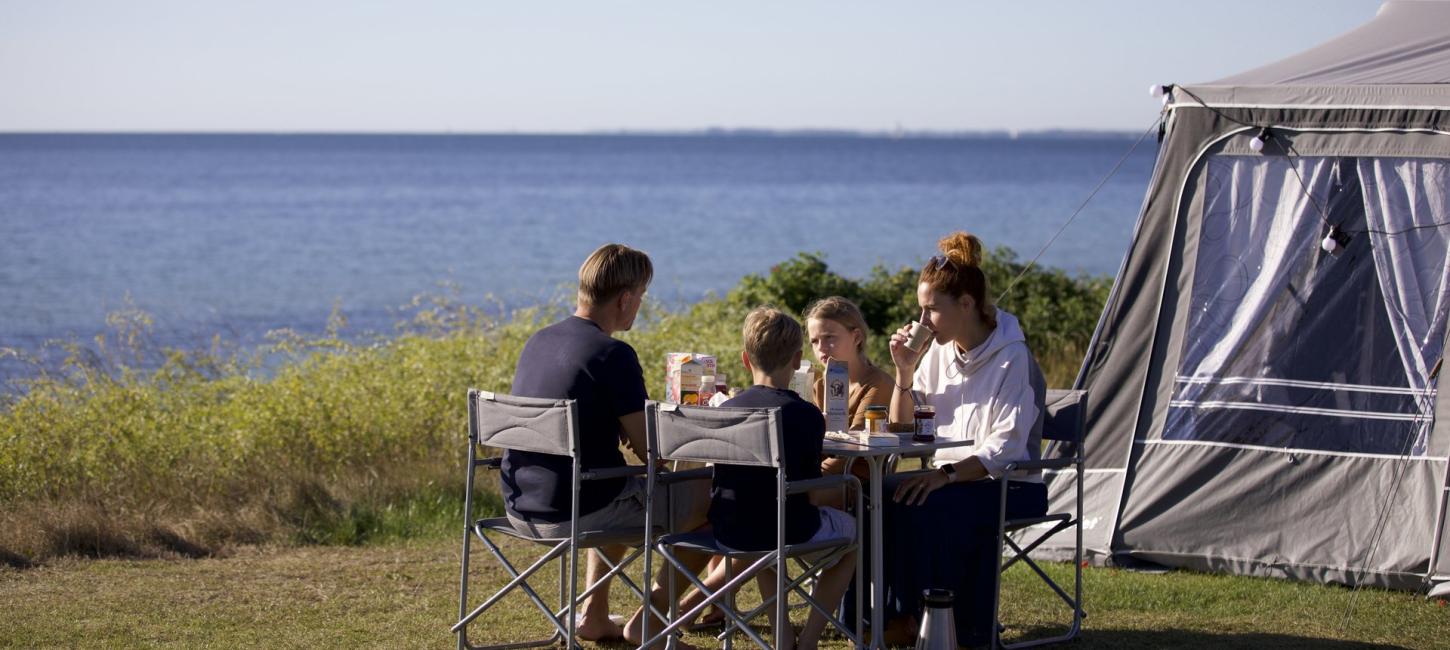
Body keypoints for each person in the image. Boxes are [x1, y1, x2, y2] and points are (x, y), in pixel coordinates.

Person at [501, 242, 709, 646]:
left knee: (620, 487)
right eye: (642, 298)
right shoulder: (612, 354)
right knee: (718, 501)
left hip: (522, 504)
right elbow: (652, 455)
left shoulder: (539, 340)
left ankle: (594, 616)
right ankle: (649, 619)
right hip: (579, 509)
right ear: (626, 298)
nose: (640, 306)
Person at [880, 232, 1048, 647]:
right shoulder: (938, 353)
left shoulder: (1013, 357)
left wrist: (946, 475)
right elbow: (904, 430)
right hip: (952, 477)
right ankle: (888, 616)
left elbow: (1005, 450)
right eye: (921, 310)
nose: (922, 322)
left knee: (931, 501)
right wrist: (903, 372)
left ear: (967, 305)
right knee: (876, 494)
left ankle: (942, 623)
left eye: (931, 310)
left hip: (1011, 485)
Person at [676, 306, 859, 650]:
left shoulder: (726, 410)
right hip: (788, 527)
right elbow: (810, 491)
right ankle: (807, 641)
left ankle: (784, 639)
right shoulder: (804, 415)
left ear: (746, 360)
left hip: (730, 530)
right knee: (852, 536)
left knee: (763, 539)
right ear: (796, 360)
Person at [805, 296, 896, 431]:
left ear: (856, 337)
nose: (821, 348)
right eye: (814, 341)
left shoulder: (878, 383)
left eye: (829, 337)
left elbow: (856, 444)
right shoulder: (820, 386)